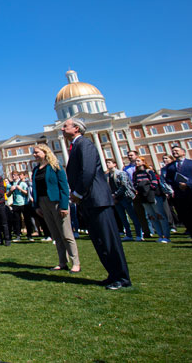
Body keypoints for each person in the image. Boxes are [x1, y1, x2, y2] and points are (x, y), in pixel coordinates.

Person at [63, 118, 130, 290]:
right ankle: (113, 274)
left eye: (66, 126)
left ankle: (122, 278)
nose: (62, 128)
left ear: (76, 128)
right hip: (90, 201)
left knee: (109, 240)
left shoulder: (84, 144)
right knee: (100, 241)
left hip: (97, 200)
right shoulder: (76, 146)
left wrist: (77, 193)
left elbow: (88, 171)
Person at [32, 143, 80, 271]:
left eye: (37, 152)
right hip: (43, 203)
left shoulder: (55, 166)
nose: (34, 155)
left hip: (57, 202)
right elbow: (35, 189)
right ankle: (62, 262)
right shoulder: (36, 170)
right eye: (34, 152)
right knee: (56, 234)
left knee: (66, 234)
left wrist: (64, 206)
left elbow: (64, 187)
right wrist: (36, 205)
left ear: (45, 152)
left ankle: (76, 263)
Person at [105, 159, 143, 242]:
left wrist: (115, 195)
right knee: (123, 218)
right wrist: (112, 197)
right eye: (106, 163)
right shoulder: (107, 176)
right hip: (116, 199)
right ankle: (128, 235)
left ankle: (139, 234)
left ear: (114, 164)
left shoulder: (121, 173)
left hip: (125, 197)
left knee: (133, 216)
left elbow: (124, 185)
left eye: (109, 163)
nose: (107, 164)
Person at [133, 158, 167, 243]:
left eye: (138, 161)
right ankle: (159, 235)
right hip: (143, 196)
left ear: (143, 162)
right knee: (151, 216)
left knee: (159, 215)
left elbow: (154, 182)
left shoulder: (149, 171)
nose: (136, 163)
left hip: (152, 195)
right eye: (136, 161)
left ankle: (166, 235)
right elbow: (134, 183)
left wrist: (150, 189)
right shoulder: (136, 173)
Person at [7, 172, 34, 241]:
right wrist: (10, 190)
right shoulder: (10, 184)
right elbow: (8, 195)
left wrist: (21, 189)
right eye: (12, 175)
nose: (13, 176)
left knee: (27, 220)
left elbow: (27, 193)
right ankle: (18, 235)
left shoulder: (22, 183)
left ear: (18, 176)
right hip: (15, 204)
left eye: (15, 175)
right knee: (17, 221)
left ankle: (29, 235)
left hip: (24, 204)